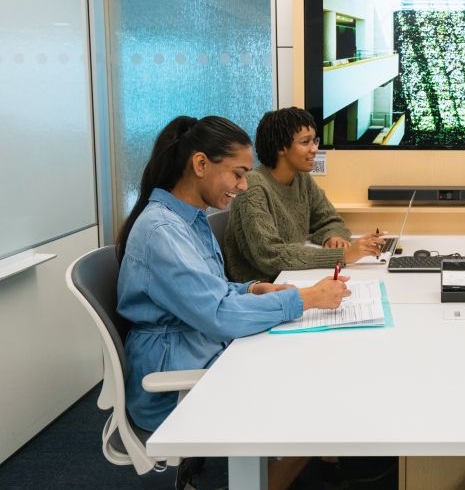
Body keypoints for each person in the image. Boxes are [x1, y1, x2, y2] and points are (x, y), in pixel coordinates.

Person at [116, 115, 349, 489]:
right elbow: (218, 314)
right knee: (314, 404)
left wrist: (253, 289)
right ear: (201, 164)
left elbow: (214, 293)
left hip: (201, 350)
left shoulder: (189, 220)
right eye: (238, 174)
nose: (243, 186)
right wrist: (303, 298)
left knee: (313, 372)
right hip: (176, 384)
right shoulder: (162, 231)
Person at [223, 107, 382, 283]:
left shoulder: (302, 179)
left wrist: (333, 236)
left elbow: (330, 220)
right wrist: (344, 254)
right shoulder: (252, 188)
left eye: (315, 141)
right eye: (305, 142)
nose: (315, 149)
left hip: (293, 278)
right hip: (261, 290)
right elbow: (270, 255)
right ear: (281, 147)